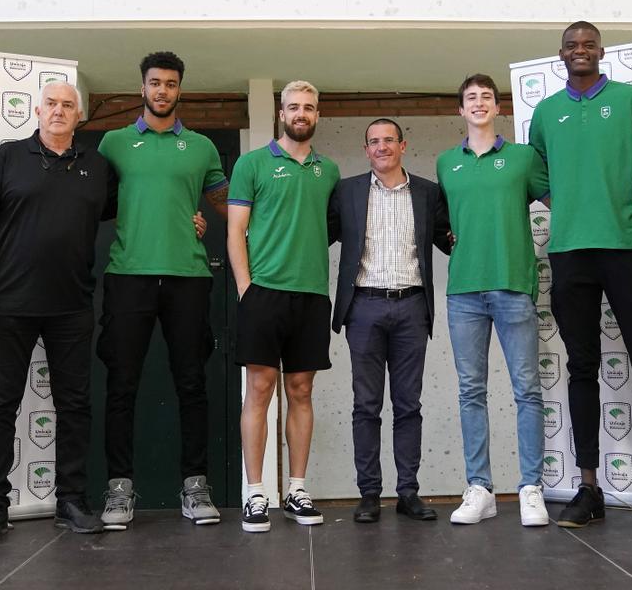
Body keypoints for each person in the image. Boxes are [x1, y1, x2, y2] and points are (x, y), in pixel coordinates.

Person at [527, 21, 632, 533]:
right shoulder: (546, 113)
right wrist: (567, 207)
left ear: (601, 51)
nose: (580, 51)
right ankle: (589, 487)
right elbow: (538, 173)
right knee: (581, 368)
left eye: (589, 44)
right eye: (572, 45)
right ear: (561, 54)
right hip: (569, 253)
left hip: (630, 248)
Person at [0, 81, 116, 543]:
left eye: (68, 105)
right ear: (37, 110)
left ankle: (70, 501)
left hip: (72, 305)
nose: (59, 111)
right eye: (51, 104)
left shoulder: (98, 167)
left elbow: (134, 209)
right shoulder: (7, 157)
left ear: (79, 115)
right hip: (10, 303)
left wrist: (189, 217)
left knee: (74, 406)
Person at [96, 51, 229, 529]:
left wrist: (262, 233)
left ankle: (196, 488)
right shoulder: (111, 143)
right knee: (121, 387)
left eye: (171, 84)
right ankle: (118, 492)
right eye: (155, 83)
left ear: (179, 90)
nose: (162, 91)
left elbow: (227, 206)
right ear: (143, 87)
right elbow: (89, 201)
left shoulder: (201, 148)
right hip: (127, 276)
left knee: (192, 385)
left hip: (188, 278)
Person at [436, 74, 552, 527]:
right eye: (470, 98)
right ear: (460, 110)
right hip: (463, 291)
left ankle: (530, 488)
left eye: (487, 97)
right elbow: (442, 222)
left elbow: (561, 199)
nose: (479, 103)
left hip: (513, 287)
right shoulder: (448, 162)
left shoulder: (523, 158)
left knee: (526, 389)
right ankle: (480, 489)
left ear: (498, 107)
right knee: (471, 392)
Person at [227, 81, 340, 533]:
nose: (301, 113)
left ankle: (296, 489)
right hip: (262, 293)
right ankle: (255, 493)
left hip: (311, 294)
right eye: (293, 106)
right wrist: (246, 290)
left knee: (301, 391)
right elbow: (236, 231)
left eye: (309, 107)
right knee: (259, 390)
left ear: (317, 115)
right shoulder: (251, 164)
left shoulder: (327, 170)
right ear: (280, 112)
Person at [328, 118, 451, 523]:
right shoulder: (345, 192)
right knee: (366, 405)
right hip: (363, 308)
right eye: (373, 142)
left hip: (412, 307)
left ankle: (408, 493)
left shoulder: (429, 193)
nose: (381, 147)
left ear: (403, 145)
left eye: (388, 140)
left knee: (408, 405)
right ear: (366, 150)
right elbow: (314, 234)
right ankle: (368, 495)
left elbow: (451, 239)